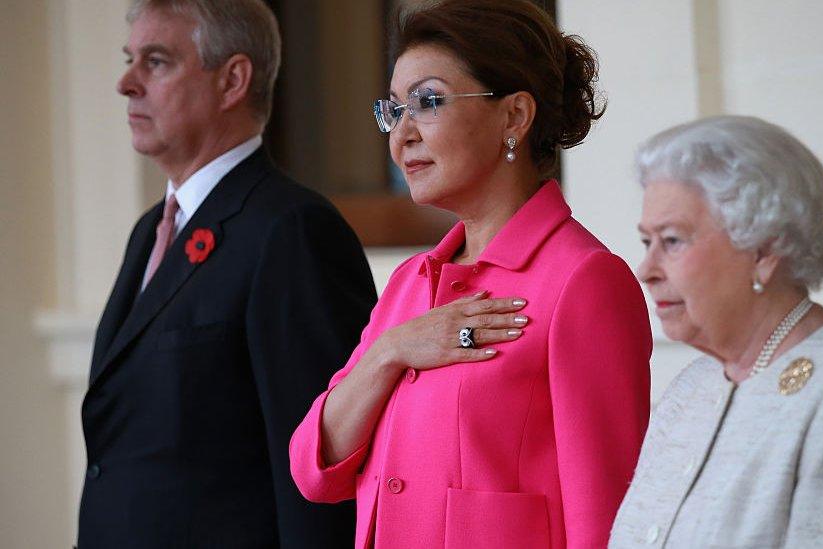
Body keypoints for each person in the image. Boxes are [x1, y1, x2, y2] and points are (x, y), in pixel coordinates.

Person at [289, 1, 652, 547]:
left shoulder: (585, 281)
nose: (401, 133)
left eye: (428, 101)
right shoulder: (412, 281)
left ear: (514, 116)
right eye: (393, 110)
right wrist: (392, 349)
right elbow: (315, 467)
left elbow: (606, 513)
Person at [78, 1, 376, 547]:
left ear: (233, 79)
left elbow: (319, 472)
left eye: (156, 62)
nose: (126, 83)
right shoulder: (151, 230)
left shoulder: (292, 230)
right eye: (130, 60)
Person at [610, 115, 823, 548]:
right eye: (646, 242)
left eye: (672, 240)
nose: (647, 270)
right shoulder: (692, 388)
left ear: (764, 248)